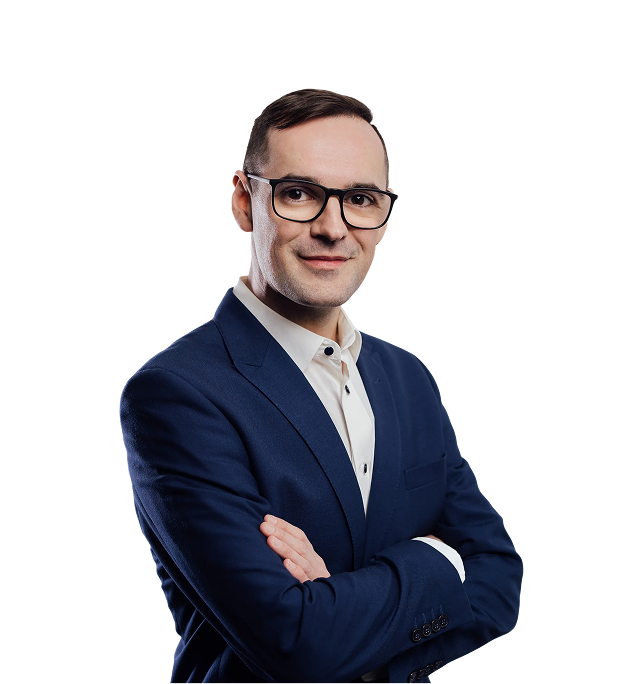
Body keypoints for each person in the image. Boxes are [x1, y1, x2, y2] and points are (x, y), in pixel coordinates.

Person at [120, 88, 523, 684]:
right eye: (299, 193)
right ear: (244, 201)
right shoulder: (176, 394)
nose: (334, 228)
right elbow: (296, 643)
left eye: (360, 199)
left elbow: (501, 581)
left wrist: (345, 620)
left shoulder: (409, 377)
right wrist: (439, 558)